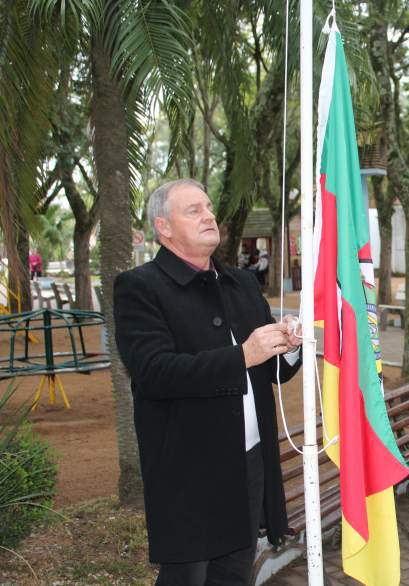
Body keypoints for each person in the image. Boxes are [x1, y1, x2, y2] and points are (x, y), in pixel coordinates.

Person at [113, 179, 302, 586]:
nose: (209, 216)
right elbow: (154, 372)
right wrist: (242, 356)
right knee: (187, 576)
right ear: (163, 227)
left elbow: (274, 372)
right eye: (194, 210)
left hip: (248, 458)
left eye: (210, 207)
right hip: (188, 468)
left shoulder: (242, 282)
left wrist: (287, 347)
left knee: (235, 574)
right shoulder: (139, 287)